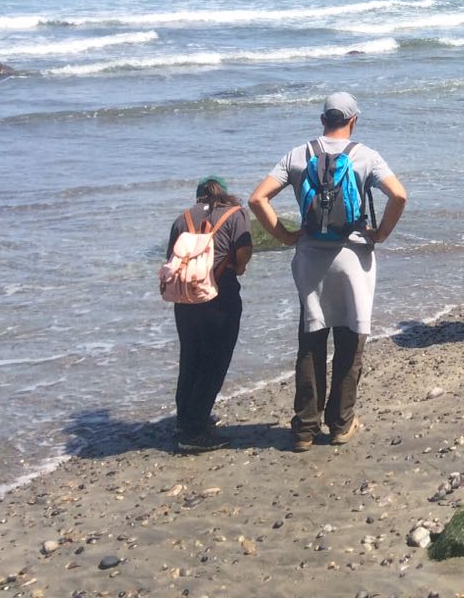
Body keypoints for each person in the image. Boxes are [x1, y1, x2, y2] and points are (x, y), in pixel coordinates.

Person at [248, 92, 408, 452]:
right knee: (351, 338)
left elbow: (257, 199)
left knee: (311, 339)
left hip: (310, 259)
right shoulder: (365, 155)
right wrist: (380, 233)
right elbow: (399, 196)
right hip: (353, 257)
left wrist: (286, 235)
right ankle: (340, 423)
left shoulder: (298, 155)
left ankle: (304, 428)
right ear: (353, 120)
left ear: (322, 120)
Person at [166, 177, 253, 453]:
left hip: (185, 298)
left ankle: (185, 420)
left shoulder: (182, 219)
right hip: (220, 295)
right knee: (215, 362)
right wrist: (237, 268)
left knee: (191, 357)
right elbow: (243, 253)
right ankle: (194, 432)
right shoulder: (235, 214)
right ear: (223, 194)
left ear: (198, 196)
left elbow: (171, 259)